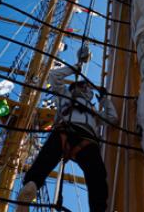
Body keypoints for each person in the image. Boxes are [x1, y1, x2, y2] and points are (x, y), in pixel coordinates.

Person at [16, 52, 118, 212]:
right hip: (65, 131)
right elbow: (54, 76)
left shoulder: (93, 111)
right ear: (75, 88)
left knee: (98, 175)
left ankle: (98, 210)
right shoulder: (65, 96)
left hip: (86, 139)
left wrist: (105, 101)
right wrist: (74, 69)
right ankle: (29, 190)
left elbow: (112, 119)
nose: (86, 88)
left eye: (87, 87)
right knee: (46, 159)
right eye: (83, 86)